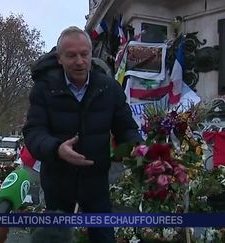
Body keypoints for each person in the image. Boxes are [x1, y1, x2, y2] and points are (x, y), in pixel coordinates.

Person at [22, 26, 142, 243]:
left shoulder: (109, 88)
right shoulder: (43, 89)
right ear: (59, 59)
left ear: (90, 54)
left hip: (96, 183)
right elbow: (33, 132)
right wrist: (57, 149)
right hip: (57, 182)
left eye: (84, 54)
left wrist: (139, 150)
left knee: (104, 237)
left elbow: (126, 128)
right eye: (71, 55)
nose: (79, 61)